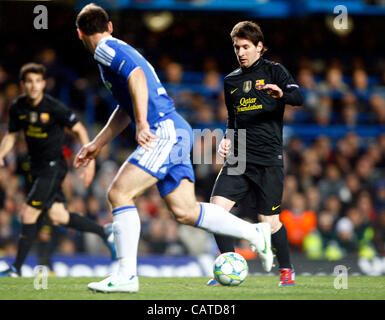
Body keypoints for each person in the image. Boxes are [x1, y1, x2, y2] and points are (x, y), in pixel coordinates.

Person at [75, 3, 273, 293]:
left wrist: (143, 123)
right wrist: (97, 143)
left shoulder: (104, 48)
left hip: (163, 131)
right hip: (177, 130)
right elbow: (125, 106)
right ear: (110, 25)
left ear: (80, 33)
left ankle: (126, 275)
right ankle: (254, 231)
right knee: (185, 211)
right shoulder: (116, 48)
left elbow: (137, 78)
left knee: (119, 193)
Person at [207, 21, 303, 287]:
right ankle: (229, 262)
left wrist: (282, 93)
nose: (241, 52)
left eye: (246, 46)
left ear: (259, 46)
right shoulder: (231, 80)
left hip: (268, 159)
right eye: (237, 47)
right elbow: (232, 117)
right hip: (239, 157)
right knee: (215, 212)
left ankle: (286, 271)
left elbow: (299, 97)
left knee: (270, 222)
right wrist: (227, 140)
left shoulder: (275, 71)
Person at [0, 62, 116, 277]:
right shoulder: (18, 107)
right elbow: (12, 135)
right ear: (23, 85)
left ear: (43, 84)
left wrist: (89, 159)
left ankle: (16, 268)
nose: (34, 86)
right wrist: (1, 153)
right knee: (58, 215)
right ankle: (104, 231)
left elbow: (79, 128)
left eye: (37, 81)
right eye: (29, 82)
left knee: (28, 212)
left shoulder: (53, 107)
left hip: (53, 167)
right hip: (35, 169)